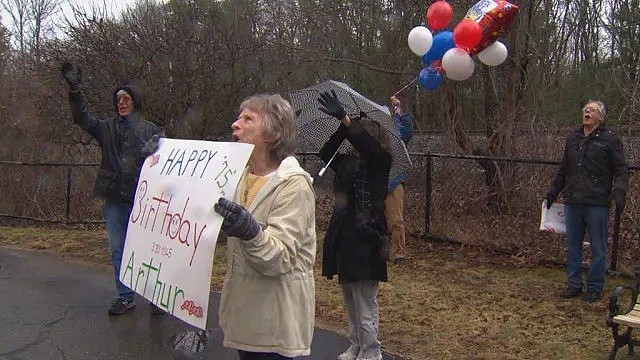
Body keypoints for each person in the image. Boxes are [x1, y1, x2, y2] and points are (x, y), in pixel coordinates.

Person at [213, 94, 316, 360]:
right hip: (244, 319)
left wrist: (250, 231)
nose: (235, 125)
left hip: (275, 327)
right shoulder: (236, 176)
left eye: (248, 119)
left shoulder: (294, 186)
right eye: (239, 117)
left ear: (272, 133)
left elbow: (280, 258)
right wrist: (157, 161)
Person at [60, 61, 164, 315]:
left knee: (149, 250)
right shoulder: (106, 128)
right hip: (116, 199)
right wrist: (75, 91)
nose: (122, 102)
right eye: (118, 99)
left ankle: (156, 296)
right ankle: (125, 296)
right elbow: (81, 117)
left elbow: (167, 164)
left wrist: (155, 151)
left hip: (144, 201)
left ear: (135, 102)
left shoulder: (151, 131)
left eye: (126, 98)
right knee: (118, 248)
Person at [317, 90, 391, 360]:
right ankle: (356, 345)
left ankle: (372, 350)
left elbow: (370, 149)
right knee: (350, 299)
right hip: (345, 241)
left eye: (366, 130)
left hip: (367, 240)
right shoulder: (346, 163)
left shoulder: (382, 162)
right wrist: (342, 126)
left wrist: (349, 121)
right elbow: (326, 152)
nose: (362, 133)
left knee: (365, 301)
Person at [545, 100, 628, 303]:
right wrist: (552, 193)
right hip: (573, 200)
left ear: (600, 117)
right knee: (573, 245)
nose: (587, 113)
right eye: (585, 110)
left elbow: (621, 169)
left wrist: (619, 192)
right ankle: (574, 284)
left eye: (592, 110)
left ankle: (595, 287)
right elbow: (564, 169)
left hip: (597, 202)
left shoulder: (609, 140)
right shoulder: (573, 139)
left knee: (598, 247)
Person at [385, 94, 414, 265]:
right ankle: (380, 250)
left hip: (394, 181)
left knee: (396, 220)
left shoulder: (397, 135)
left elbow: (406, 130)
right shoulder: (374, 136)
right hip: (377, 180)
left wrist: (398, 109)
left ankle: (398, 253)